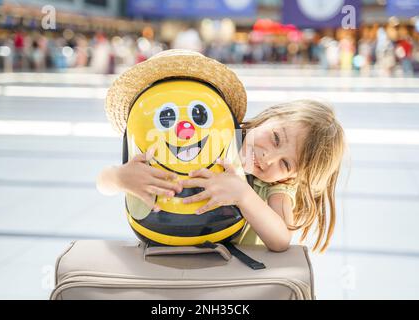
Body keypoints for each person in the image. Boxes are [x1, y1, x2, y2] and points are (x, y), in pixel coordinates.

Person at [97, 51, 345, 253]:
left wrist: (244, 196)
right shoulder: (216, 136)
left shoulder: (275, 188)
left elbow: (280, 240)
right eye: (276, 138)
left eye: (286, 164)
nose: (269, 159)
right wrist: (119, 178)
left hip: (226, 279)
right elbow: (102, 183)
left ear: (290, 177)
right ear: (268, 117)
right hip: (163, 259)